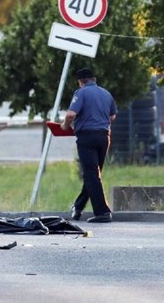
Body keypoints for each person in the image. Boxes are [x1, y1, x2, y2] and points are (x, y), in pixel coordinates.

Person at [61, 67, 117, 223]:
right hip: (104, 137)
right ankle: (77, 208)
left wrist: (65, 125)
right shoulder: (106, 93)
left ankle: (103, 212)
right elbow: (112, 116)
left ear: (81, 82)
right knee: (93, 175)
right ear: (94, 79)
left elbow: (71, 114)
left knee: (91, 175)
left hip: (87, 137)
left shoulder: (81, 93)